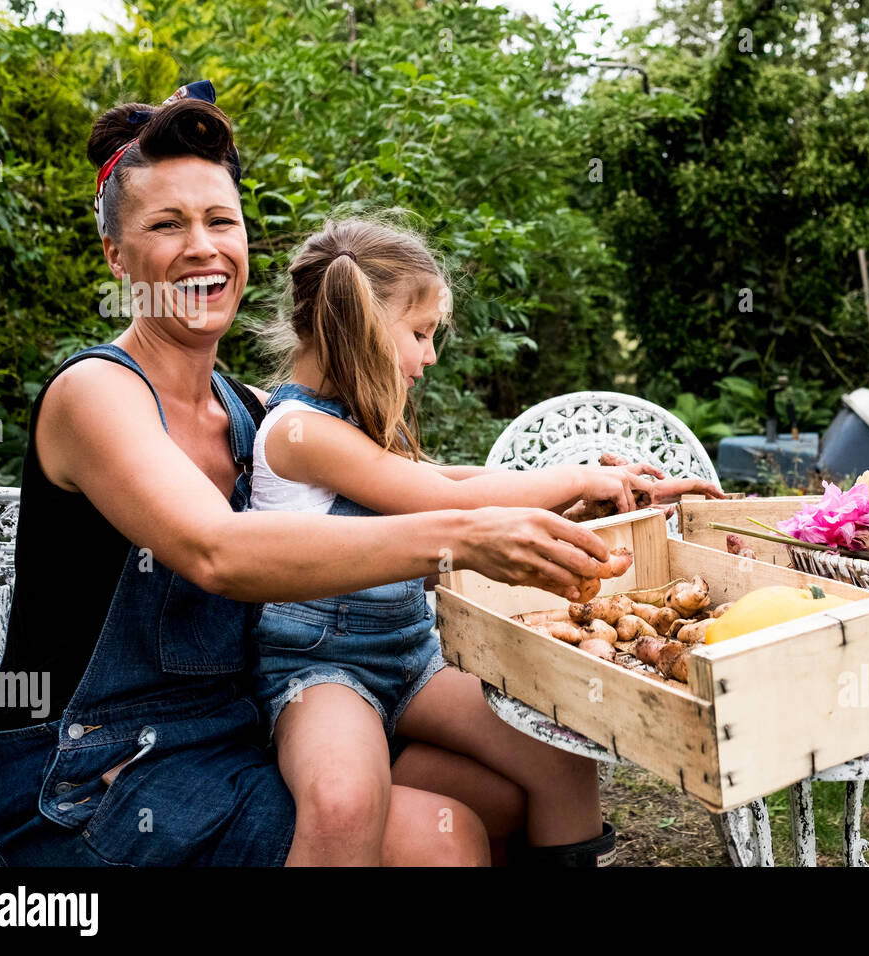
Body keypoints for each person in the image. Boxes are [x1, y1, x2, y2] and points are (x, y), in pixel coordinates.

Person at [0, 82, 626, 867]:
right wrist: (464, 538)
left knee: (501, 793)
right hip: (98, 781)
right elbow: (219, 549)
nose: (203, 246)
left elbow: (407, 478)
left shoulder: (246, 408)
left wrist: (580, 481)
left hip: (232, 733)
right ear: (117, 255)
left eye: (221, 221)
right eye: (166, 224)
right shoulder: (95, 395)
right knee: (437, 846)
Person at [247, 216, 684, 866]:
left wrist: (588, 485)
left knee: (559, 750)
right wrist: (577, 477)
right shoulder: (297, 433)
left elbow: (458, 479)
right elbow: (454, 505)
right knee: (345, 796)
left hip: (410, 655)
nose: (428, 356)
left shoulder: (358, 432)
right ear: (361, 323)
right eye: (419, 334)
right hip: (323, 670)